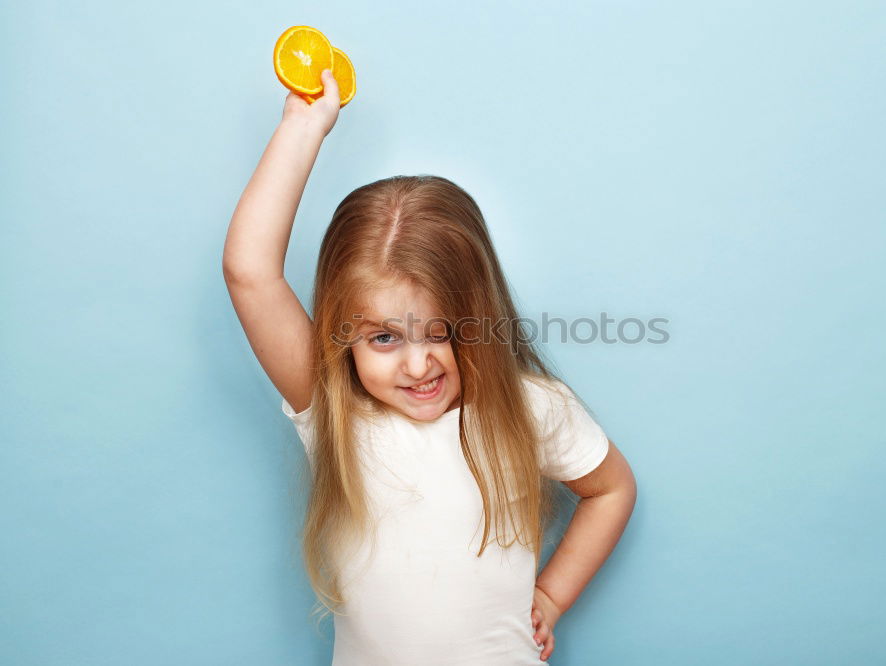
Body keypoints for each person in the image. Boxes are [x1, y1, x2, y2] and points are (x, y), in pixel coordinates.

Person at [222, 69, 637, 665]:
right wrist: (304, 124)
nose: (418, 364)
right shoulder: (337, 414)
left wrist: (552, 592)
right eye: (385, 337)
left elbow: (611, 488)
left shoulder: (531, 408)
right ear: (345, 338)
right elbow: (249, 272)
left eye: (442, 332)